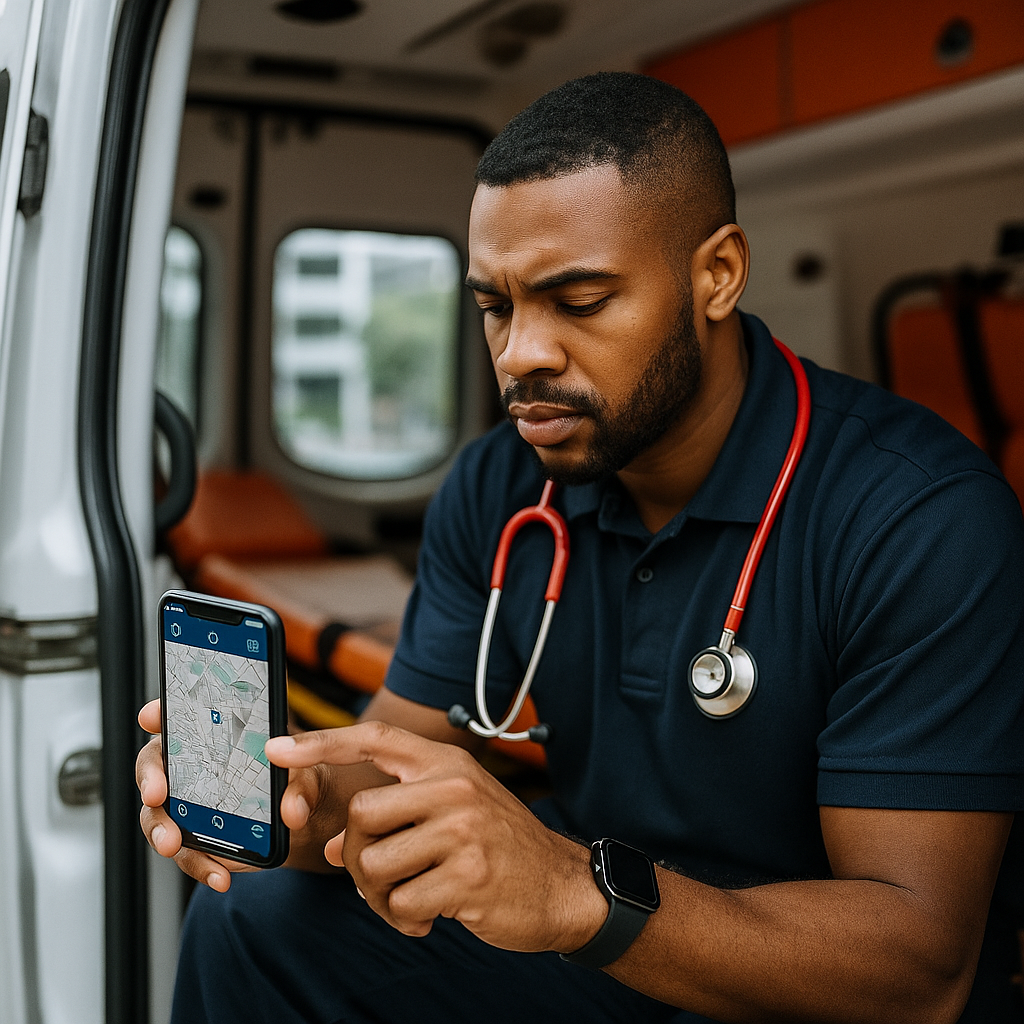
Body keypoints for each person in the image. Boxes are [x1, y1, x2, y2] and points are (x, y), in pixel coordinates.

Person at [136, 72, 1024, 1023]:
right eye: (495, 306)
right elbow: (390, 754)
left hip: (799, 979)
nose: (521, 352)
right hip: (612, 945)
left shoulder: (918, 515)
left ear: (716, 274)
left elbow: (919, 971)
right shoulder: (501, 486)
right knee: (261, 915)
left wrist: (568, 889)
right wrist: (299, 796)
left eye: (579, 300)